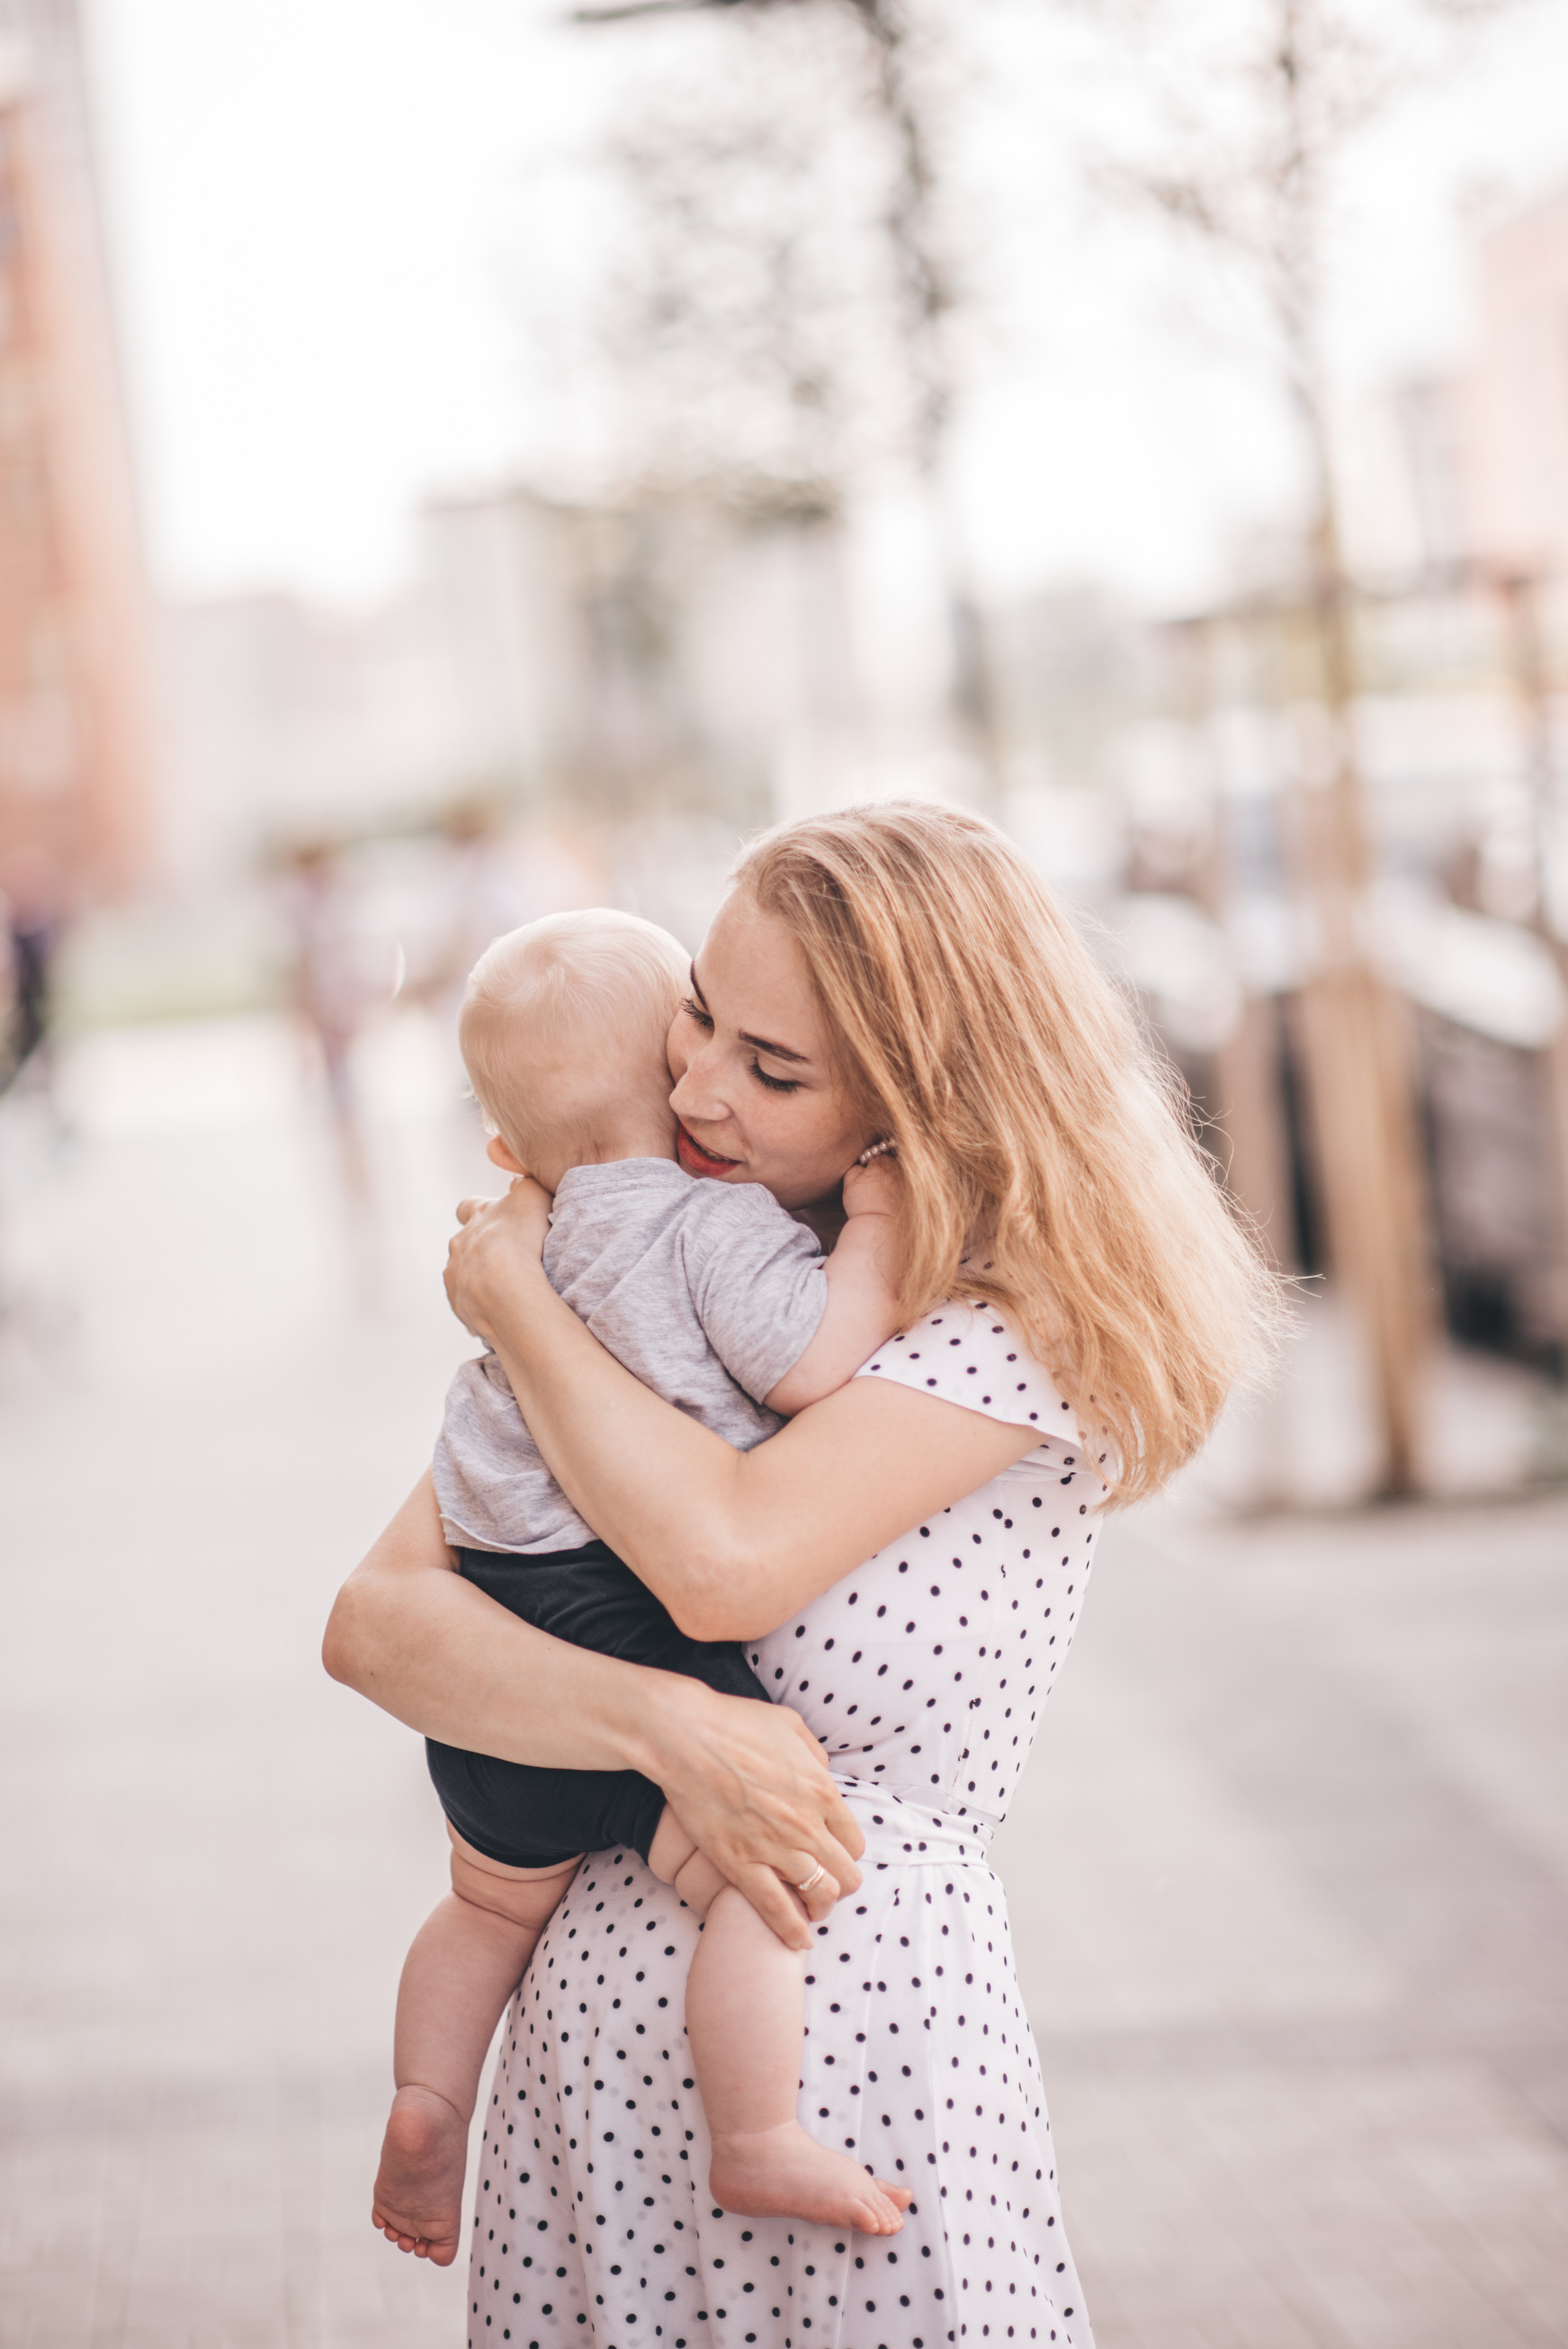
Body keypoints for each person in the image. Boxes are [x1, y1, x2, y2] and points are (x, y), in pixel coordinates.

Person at [325, 801, 1277, 2347]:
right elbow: (376, 1626)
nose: (692, 1084)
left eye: (771, 1069)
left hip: (844, 2055)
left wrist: (516, 1305)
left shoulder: (1011, 1331)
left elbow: (718, 1570)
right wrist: (664, 1731)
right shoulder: (697, 1264)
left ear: (921, 1103)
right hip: (586, 2065)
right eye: (699, 1013)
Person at [373, 907, 911, 2264]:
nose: (713, 1081)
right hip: (624, 1610)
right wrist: (875, 1233)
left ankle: (427, 2102)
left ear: (505, 1145)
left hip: (500, 1630)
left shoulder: (520, 1242)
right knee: (761, 1883)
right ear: (676, 1095)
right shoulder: (707, 1223)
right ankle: (757, 2134)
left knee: (485, 1905)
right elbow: (808, 1361)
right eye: (699, 1027)